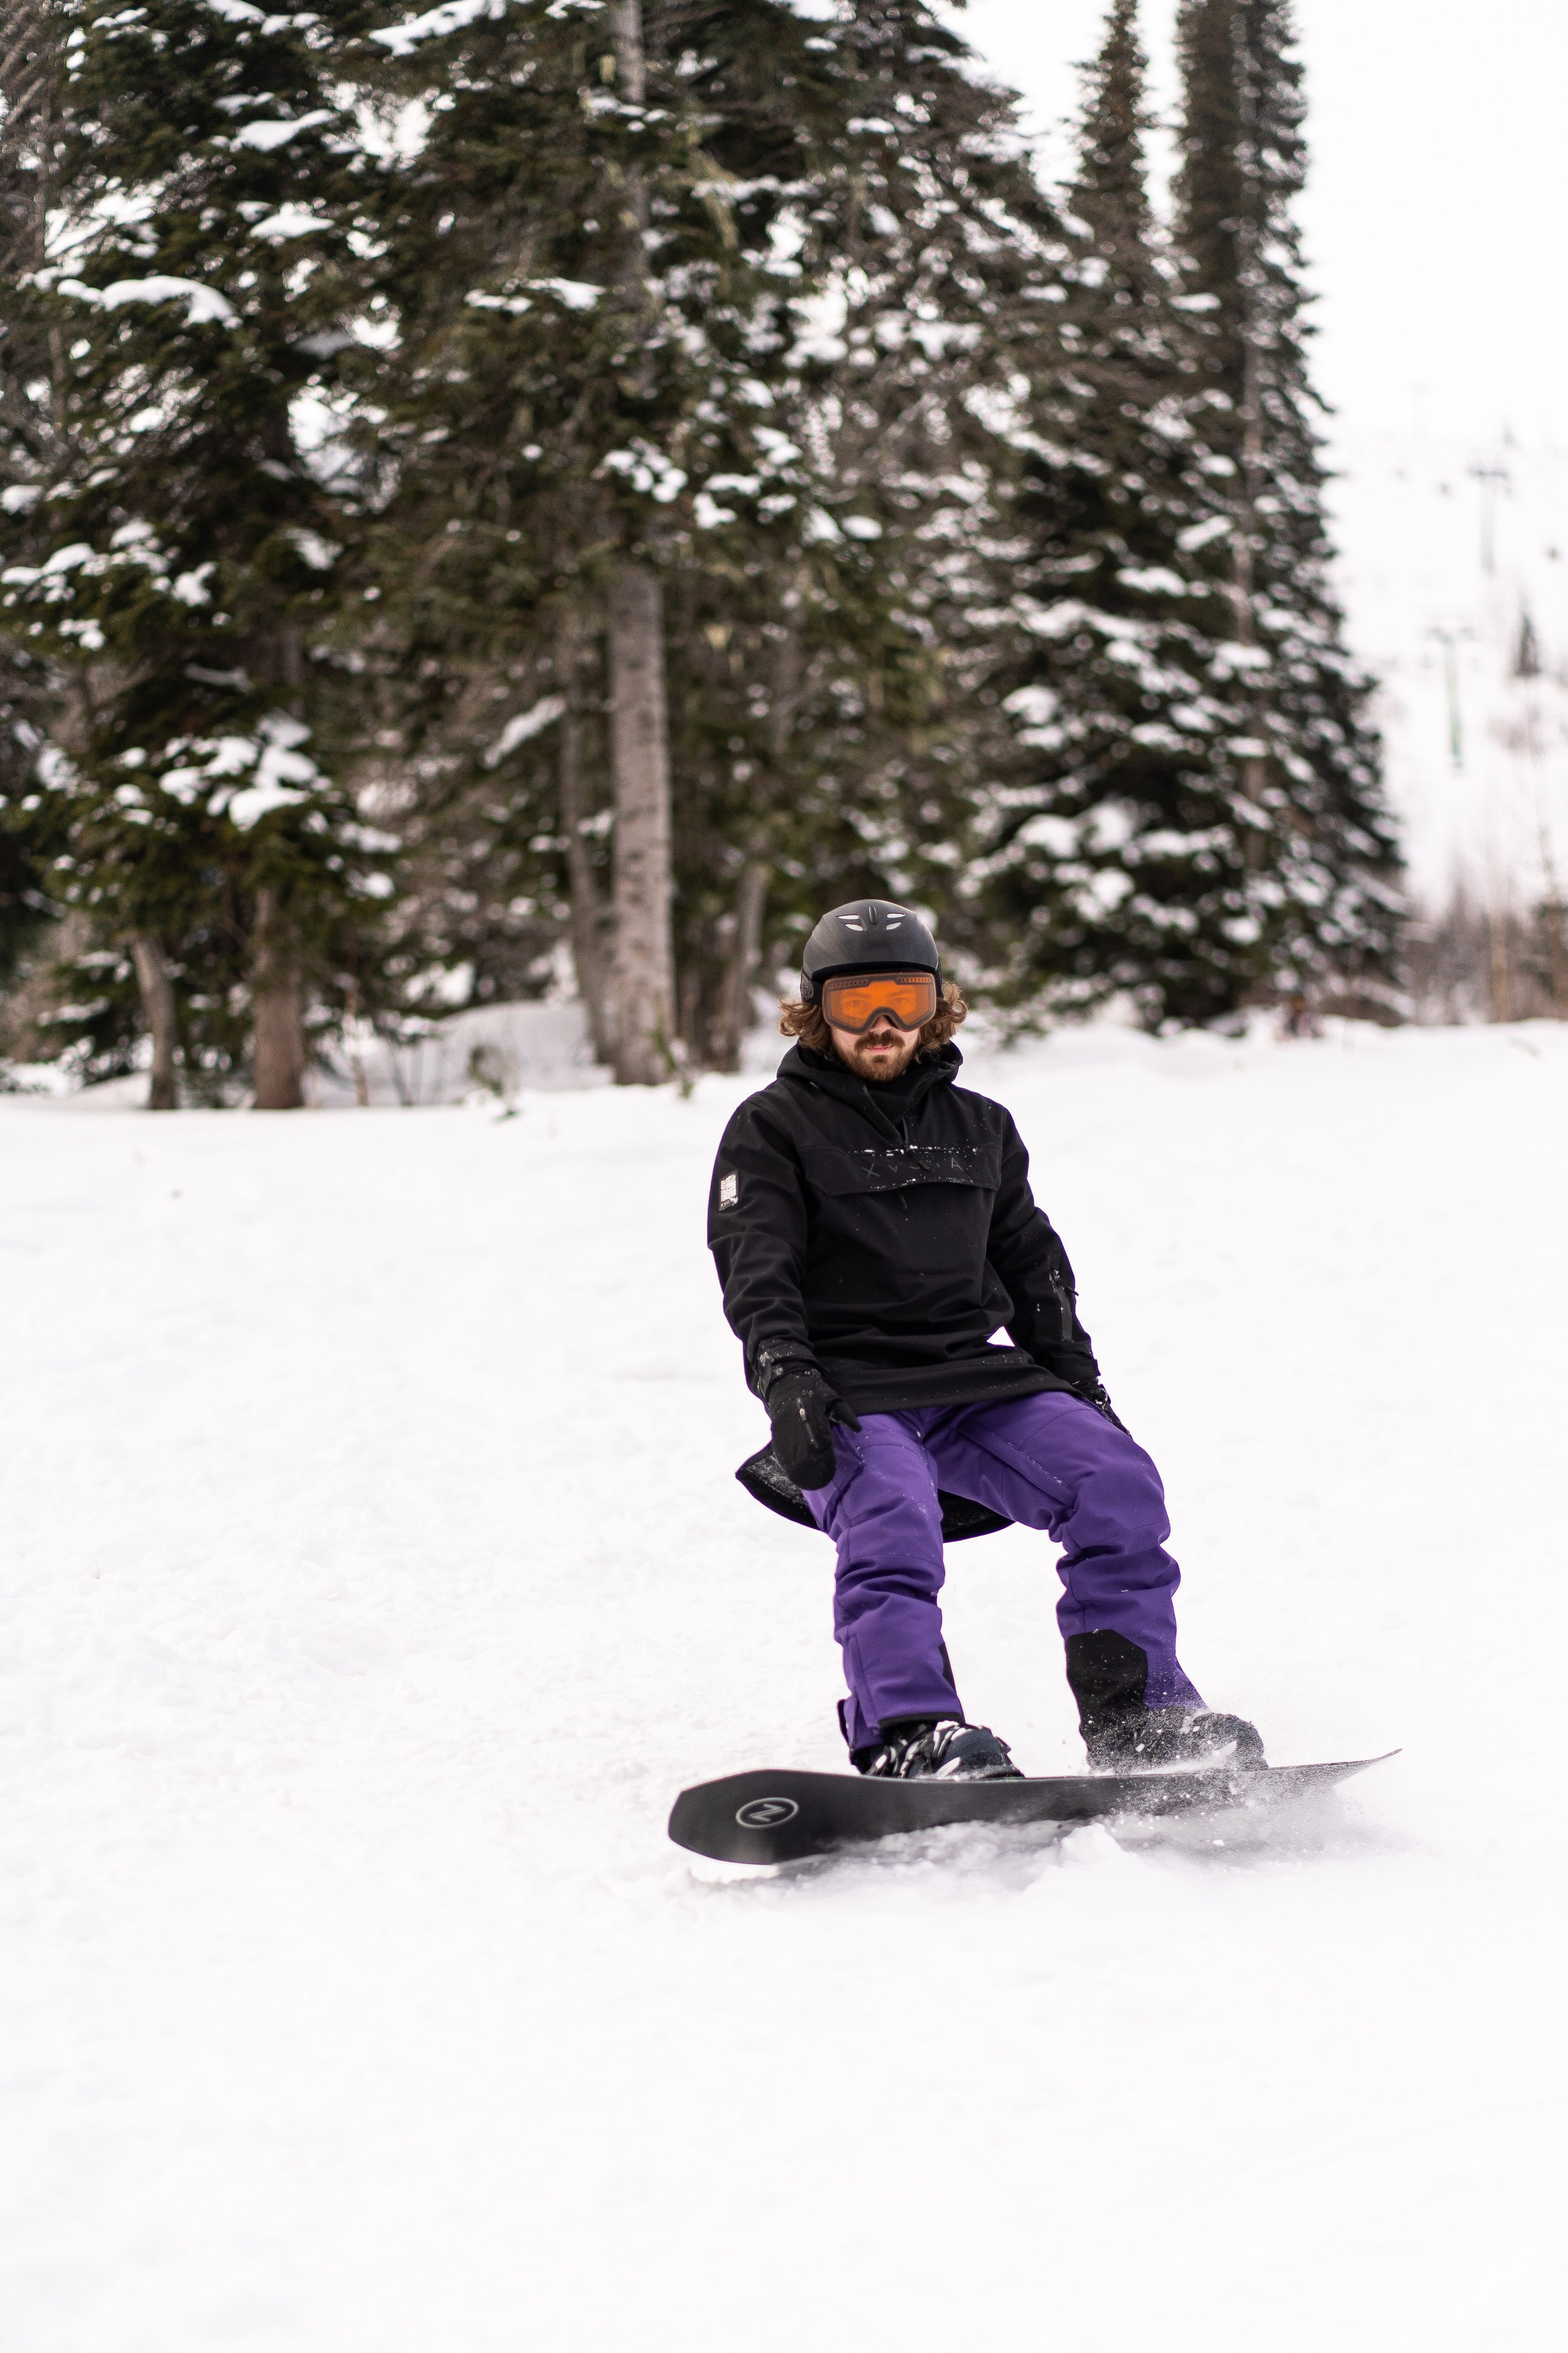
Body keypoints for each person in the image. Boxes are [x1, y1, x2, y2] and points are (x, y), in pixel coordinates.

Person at [707, 897, 1263, 1784]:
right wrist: (786, 1379)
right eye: (857, 1003)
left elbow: (1034, 1264)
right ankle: (910, 1732)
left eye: (905, 997)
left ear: (938, 1006)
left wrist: (1082, 1390)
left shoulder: (982, 1127)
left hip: (974, 1382)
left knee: (1114, 1479)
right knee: (891, 1513)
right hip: (850, 1388)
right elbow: (755, 1267)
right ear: (816, 1010)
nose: (883, 1023)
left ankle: (1139, 1717)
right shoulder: (772, 1127)